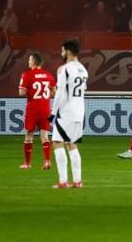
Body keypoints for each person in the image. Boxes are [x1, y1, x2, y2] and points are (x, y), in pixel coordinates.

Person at [51, 40, 88, 188]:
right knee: (71, 144)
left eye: (62, 51)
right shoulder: (84, 69)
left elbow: (60, 94)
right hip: (79, 111)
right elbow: (82, 90)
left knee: (57, 143)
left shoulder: (64, 69)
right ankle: (77, 181)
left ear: (68, 52)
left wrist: (53, 113)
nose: (61, 54)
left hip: (66, 111)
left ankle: (63, 182)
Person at [18, 52, 56, 170]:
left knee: (28, 136)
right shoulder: (48, 75)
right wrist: (44, 95)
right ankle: (47, 161)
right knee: (44, 136)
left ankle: (28, 163)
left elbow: (21, 93)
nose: (28, 62)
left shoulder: (27, 75)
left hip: (33, 109)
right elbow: (54, 92)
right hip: (45, 108)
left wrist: (33, 93)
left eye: (29, 60)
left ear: (34, 62)